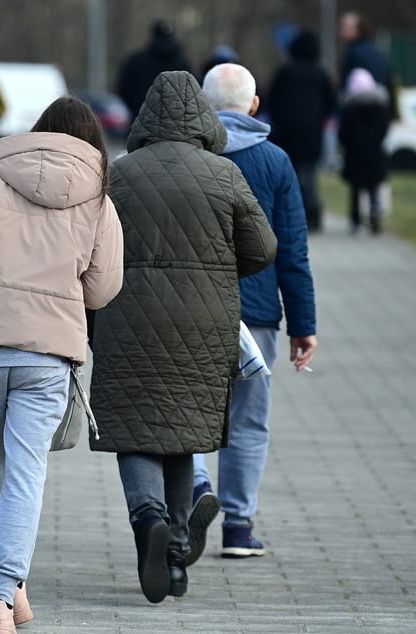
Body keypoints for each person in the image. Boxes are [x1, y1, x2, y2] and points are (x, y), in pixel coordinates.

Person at [0, 95, 124, 633]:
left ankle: (10, 588)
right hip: (47, 354)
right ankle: (1, 598)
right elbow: (103, 289)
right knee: (24, 471)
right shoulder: (99, 197)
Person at [90, 71, 277, 604]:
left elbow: (93, 245)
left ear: (147, 119)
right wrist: (213, 268)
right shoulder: (225, 174)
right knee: (182, 431)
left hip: (126, 314)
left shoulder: (120, 174)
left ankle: (147, 518)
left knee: (136, 427)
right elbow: (262, 248)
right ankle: (174, 554)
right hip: (204, 319)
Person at [188, 63, 317, 566]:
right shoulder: (276, 162)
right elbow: (293, 251)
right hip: (257, 314)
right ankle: (239, 527)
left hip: (195, 308)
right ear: (255, 106)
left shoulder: (191, 155)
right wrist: (303, 325)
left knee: (191, 410)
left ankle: (196, 485)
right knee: (248, 422)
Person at [267, 29, 336, 233]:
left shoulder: (285, 72)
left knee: (291, 176)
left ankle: (293, 215)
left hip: (288, 133)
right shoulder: (321, 74)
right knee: (311, 174)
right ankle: (313, 213)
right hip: (313, 133)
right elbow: (331, 103)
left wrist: (280, 122)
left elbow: (273, 102)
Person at [338, 67, 392, 235]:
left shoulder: (350, 108)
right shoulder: (380, 106)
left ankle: (356, 220)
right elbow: (385, 129)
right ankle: (375, 216)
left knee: (356, 189)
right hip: (375, 155)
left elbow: (343, 133)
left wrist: (347, 145)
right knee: (374, 187)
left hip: (356, 155)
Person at [116, 19, 192, 124]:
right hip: (176, 124)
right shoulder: (184, 64)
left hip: (141, 121)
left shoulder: (136, 61)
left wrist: (136, 109)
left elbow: (123, 89)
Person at [339, 11, 398, 120]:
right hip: (380, 109)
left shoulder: (354, 53)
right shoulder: (376, 50)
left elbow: (346, 85)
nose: (342, 29)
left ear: (359, 30)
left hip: (360, 111)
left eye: (347, 26)